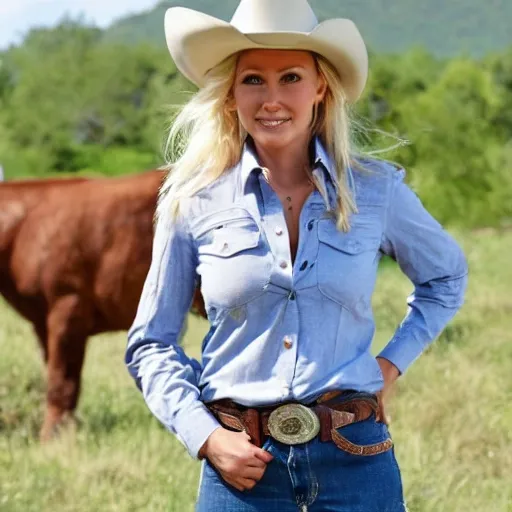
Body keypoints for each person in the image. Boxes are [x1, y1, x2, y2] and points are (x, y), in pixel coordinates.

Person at [125, 0, 468, 510]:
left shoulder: (376, 191)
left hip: (358, 462)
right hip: (240, 473)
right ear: (231, 93)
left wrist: (391, 366)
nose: (271, 99)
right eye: (253, 80)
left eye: (290, 77)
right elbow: (151, 344)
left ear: (320, 86)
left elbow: (446, 277)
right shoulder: (192, 200)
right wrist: (205, 436)